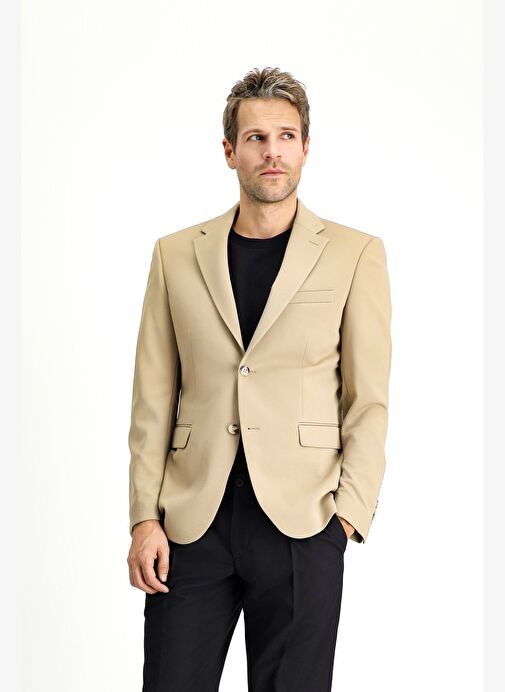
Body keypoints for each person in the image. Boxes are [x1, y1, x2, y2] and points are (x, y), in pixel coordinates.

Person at [127, 66, 392, 691]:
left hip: (304, 520)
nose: (272, 151)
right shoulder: (175, 255)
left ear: (305, 148)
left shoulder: (355, 254)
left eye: (285, 136)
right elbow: (152, 398)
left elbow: (368, 400)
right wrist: (144, 518)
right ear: (230, 151)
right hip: (192, 520)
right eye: (255, 138)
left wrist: (346, 517)